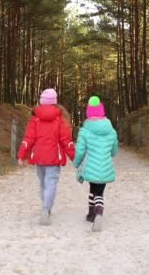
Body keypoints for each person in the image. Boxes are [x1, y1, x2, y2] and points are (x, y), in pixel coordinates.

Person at [18, 89, 75, 226]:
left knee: (43, 184)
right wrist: (74, 157)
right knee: (51, 183)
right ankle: (46, 209)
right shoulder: (60, 120)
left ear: (41, 101)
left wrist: (21, 155)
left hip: (38, 156)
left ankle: (45, 208)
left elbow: (28, 138)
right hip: (54, 157)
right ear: (55, 102)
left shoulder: (35, 119)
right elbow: (66, 140)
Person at [73, 96, 119, 232]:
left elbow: (80, 150)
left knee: (93, 190)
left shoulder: (84, 131)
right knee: (99, 191)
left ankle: (96, 212)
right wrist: (107, 154)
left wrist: (76, 162)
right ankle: (93, 213)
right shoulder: (111, 131)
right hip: (105, 166)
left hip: (90, 167)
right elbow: (114, 150)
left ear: (88, 113)